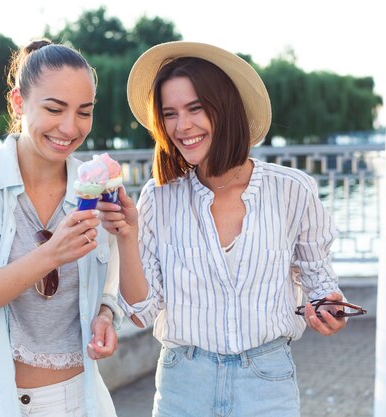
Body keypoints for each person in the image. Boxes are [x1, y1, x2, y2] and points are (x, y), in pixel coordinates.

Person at [98, 41, 348, 417]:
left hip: (267, 382)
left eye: (195, 108)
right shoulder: (158, 197)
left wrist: (329, 307)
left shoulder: (291, 190)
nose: (182, 126)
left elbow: (320, 282)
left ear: (225, 108)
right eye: (170, 114)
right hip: (183, 384)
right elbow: (141, 312)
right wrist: (128, 238)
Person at [0, 39, 122, 417]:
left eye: (85, 112)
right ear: (18, 102)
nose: (70, 127)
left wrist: (105, 316)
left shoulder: (97, 185)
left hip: (77, 401)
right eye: (54, 109)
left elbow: (110, 285)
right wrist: (51, 254)